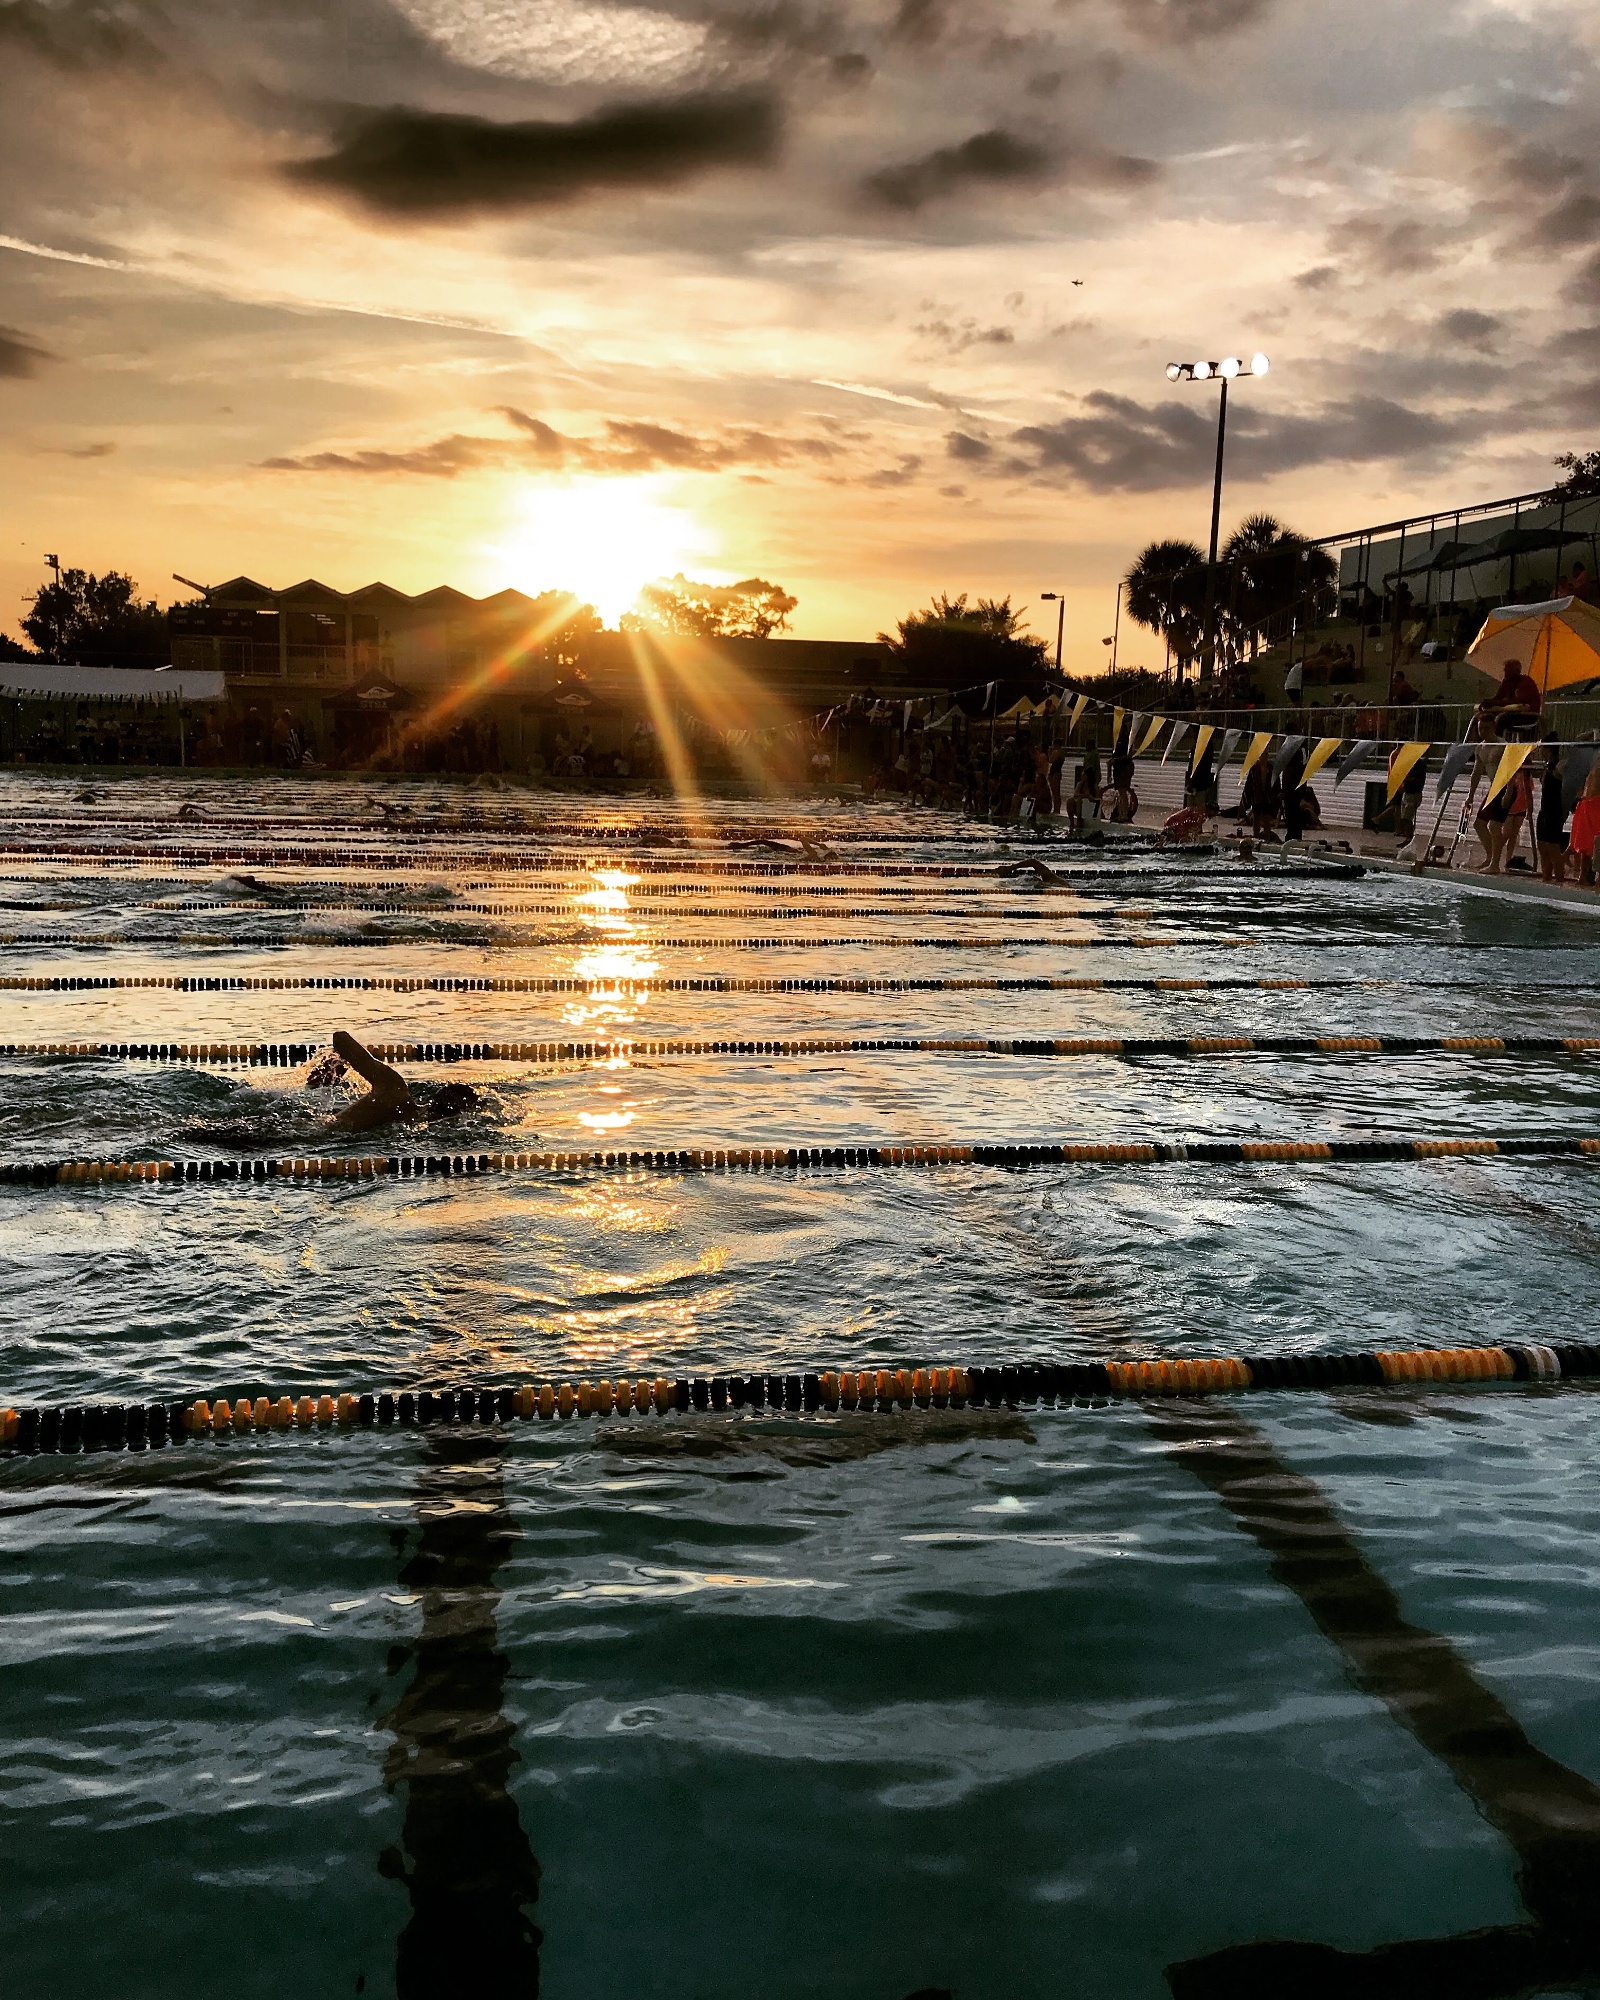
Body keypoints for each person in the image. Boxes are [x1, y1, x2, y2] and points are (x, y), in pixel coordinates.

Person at [1535, 741, 1571, 883]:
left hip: (1555, 812)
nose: (1539, 751)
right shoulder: (1547, 766)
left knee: (1553, 847)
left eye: (1542, 748)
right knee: (1542, 846)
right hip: (1544, 810)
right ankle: (1546, 879)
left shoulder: (1559, 766)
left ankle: (1559, 879)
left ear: (1548, 749)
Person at [1480, 658, 1542, 728]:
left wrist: (1495, 703)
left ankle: (1497, 735)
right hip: (1512, 713)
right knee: (1483, 717)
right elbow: (1498, 696)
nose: (1505, 673)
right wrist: (1488, 703)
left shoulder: (1526, 682)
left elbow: (1517, 702)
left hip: (1528, 715)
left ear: (1517, 671)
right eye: (1505, 670)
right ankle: (1482, 734)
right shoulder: (1506, 682)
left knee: (1501, 720)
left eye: (1508, 670)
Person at [1568, 765, 1600, 886]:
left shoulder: (1594, 767)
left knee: (1589, 843)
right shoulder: (1595, 767)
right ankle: (1586, 877)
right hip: (1591, 804)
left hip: (1589, 803)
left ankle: (1585, 876)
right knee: (1588, 843)